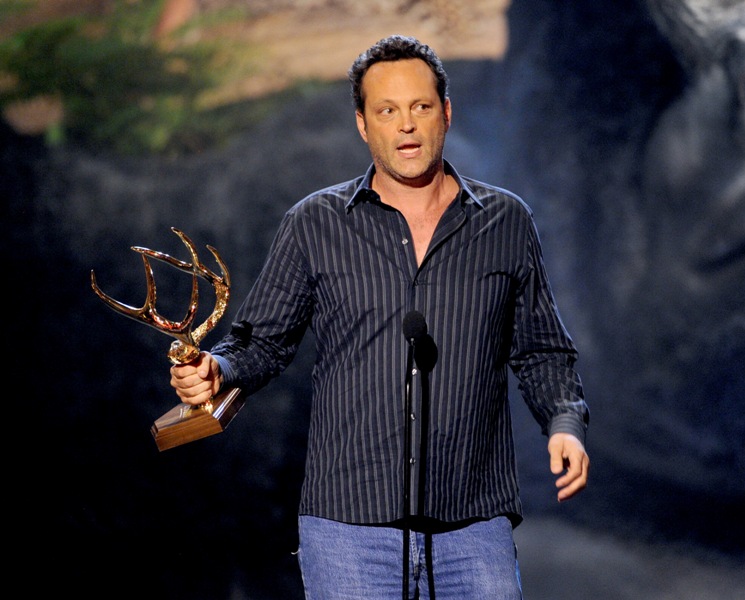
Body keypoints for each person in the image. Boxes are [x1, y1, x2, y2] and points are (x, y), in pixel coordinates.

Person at [170, 34, 590, 600]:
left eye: (420, 106)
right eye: (387, 111)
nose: (406, 125)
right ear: (363, 125)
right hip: (348, 530)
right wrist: (216, 370)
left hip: (473, 524)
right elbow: (262, 342)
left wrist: (564, 423)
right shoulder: (315, 223)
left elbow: (542, 349)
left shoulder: (505, 221)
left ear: (446, 113)